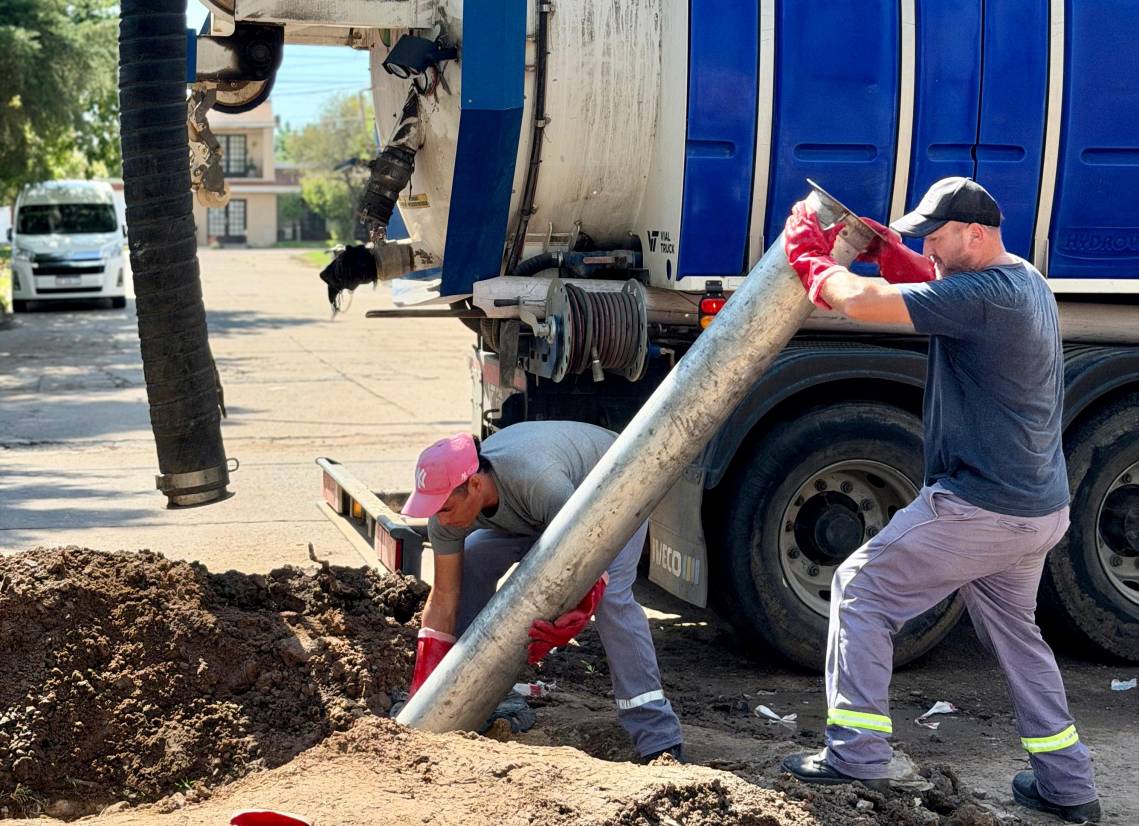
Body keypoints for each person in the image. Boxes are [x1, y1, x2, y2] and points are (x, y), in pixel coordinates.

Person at [779, 177, 1101, 824]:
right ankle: (1068, 786)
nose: (927, 242)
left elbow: (864, 304)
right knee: (1016, 635)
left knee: (859, 590)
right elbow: (931, 287)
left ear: (973, 235)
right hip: (1035, 508)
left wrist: (805, 251)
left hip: (981, 507)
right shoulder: (1024, 282)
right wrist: (886, 250)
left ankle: (856, 753)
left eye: (936, 233)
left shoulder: (983, 297)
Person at [400, 420, 685, 761]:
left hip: (612, 489)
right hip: (546, 516)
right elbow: (443, 598)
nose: (441, 521)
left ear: (474, 484)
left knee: (612, 599)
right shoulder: (445, 513)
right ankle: (468, 694)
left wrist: (580, 609)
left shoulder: (538, 480)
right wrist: (424, 686)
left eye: (445, 509)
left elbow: (589, 553)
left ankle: (657, 736)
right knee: (473, 558)